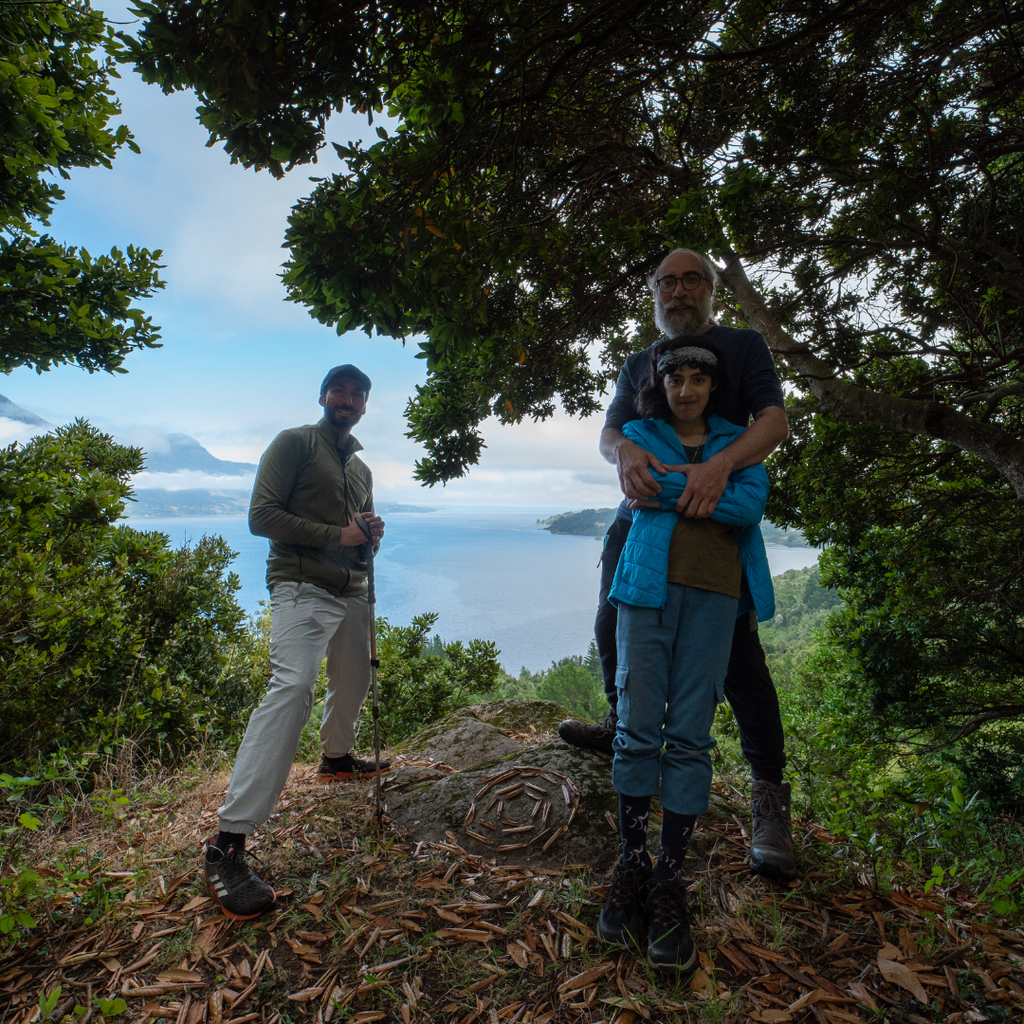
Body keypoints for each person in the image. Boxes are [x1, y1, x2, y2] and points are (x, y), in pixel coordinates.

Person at [558, 248, 796, 880]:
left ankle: (769, 797)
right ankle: (623, 726)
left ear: (711, 289)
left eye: (693, 279)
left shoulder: (743, 348)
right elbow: (611, 435)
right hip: (639, 524)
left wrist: (719, 466)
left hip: (717, 522)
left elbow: (775, 421)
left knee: (741, 661)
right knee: (614, 627)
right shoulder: (639, 363)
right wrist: (626, 452)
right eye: (667, 281)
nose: (679, 290)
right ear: (654, 291)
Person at [597, 336, 774, 973]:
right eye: (677, 380)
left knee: (691, 734)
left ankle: (670, 877)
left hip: (716, 598)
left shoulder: (738, 439)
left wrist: (678, 484)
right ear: (663, 385)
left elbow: (750, 504)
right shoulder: (640, 433)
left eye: (699, 379)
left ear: (712, 386)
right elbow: (636, 493)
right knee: (637, 728)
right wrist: (695, 487)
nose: (687, 389)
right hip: (643, 593)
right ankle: (632, 862)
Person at [202, 364, 388, 920]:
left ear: (364, 406)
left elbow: (358, 544)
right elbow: (261, 517)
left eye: (357, 394)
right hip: (300, 586)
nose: (347, 399)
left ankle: (337, 759)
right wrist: (338, 535)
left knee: (355, 678)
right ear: (324, 396)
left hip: (350, 588)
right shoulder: (294, 444)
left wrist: (369, 538)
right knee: (295, 686)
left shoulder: (361, 468)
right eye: (340, 390)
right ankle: (227, 843)